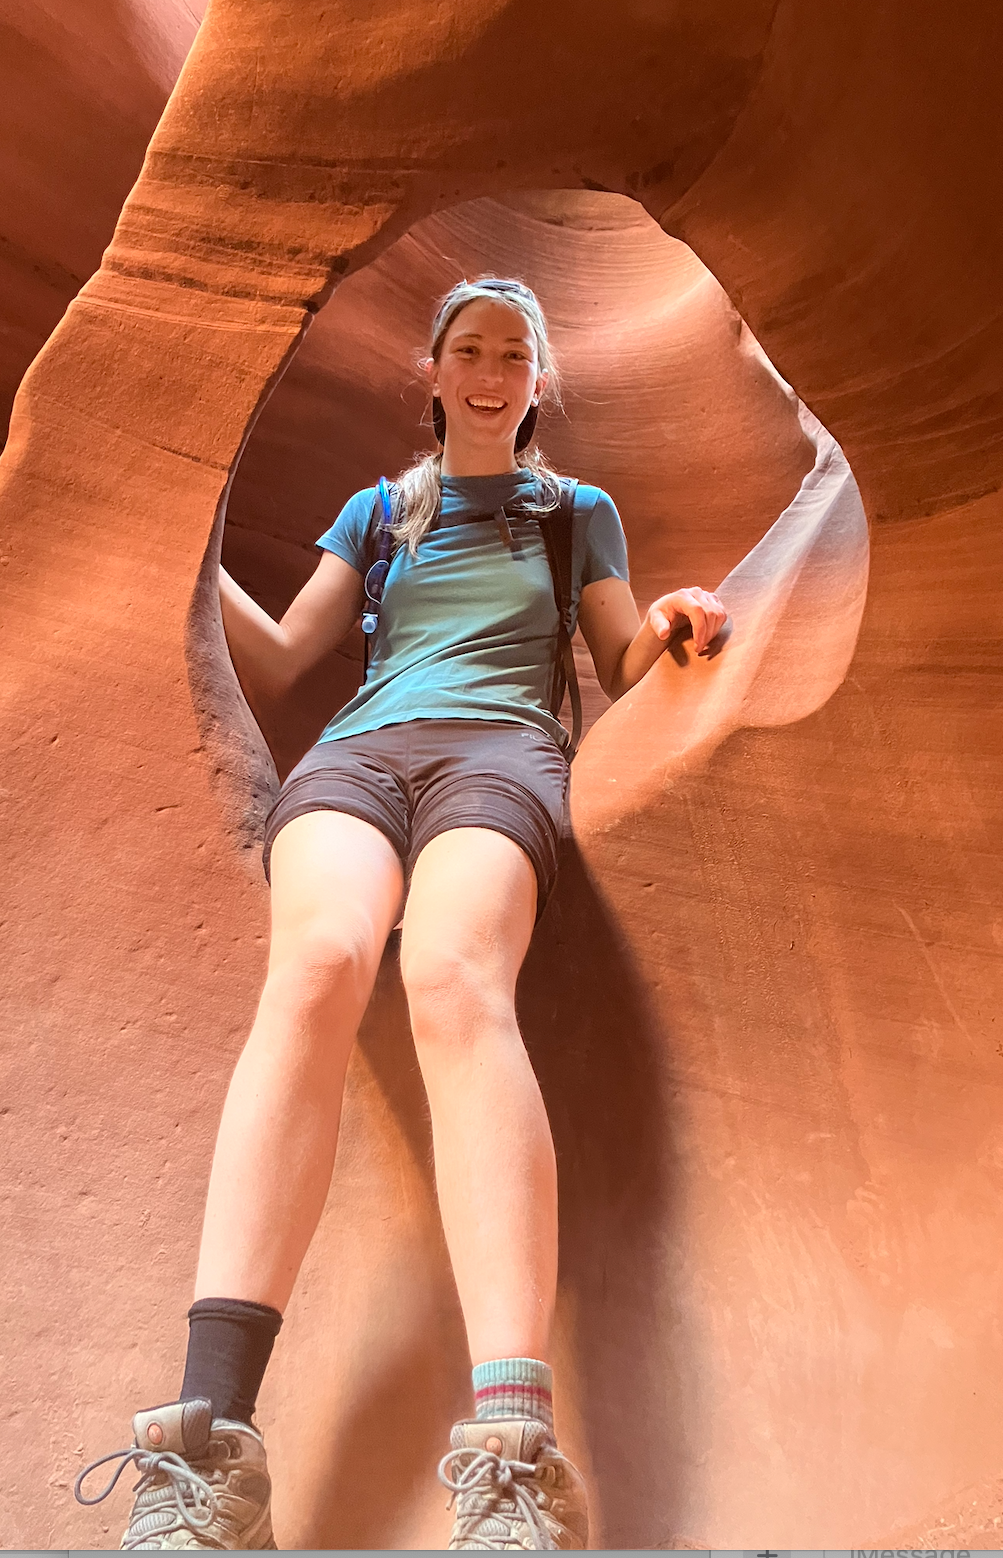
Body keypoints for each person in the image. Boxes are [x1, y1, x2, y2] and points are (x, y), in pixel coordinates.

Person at [75, 276, 726, 1551]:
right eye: (467, 349)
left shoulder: (571, 512)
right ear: (429, 375)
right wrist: (175, 531)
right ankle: (209, 1443)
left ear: (541, 384)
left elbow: (613, 659)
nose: (488, 370)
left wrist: (665, 620)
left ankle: (512, 1454)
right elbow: (276, 656)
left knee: (446, 973)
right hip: (358, 755)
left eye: (512, 354)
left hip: (502, 752)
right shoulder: (380, 510)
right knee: (315, 965)